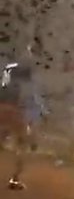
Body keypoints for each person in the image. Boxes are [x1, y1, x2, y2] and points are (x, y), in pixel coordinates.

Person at [0, 42, 45, 190]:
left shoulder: (9, 67)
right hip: (13, 108)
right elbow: (27, 92)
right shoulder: (27, 70)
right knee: (22, 143)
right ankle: (14, 179)